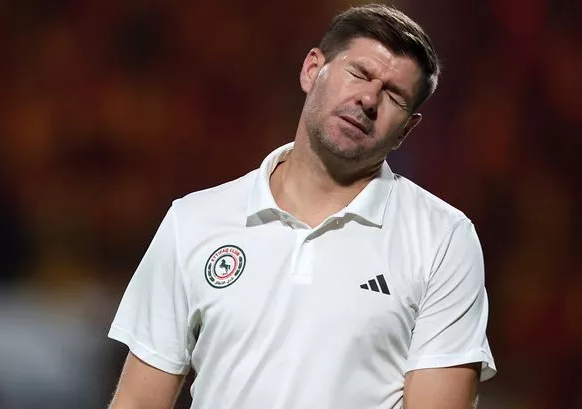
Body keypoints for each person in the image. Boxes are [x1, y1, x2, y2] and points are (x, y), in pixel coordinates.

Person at [107, 4, 496, 409]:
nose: (368, 99)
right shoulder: (194, 221)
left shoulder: (442, 239)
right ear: (312, 69)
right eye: (359, 73)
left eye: (393, 95)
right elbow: (138, 401)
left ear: (407, 129)